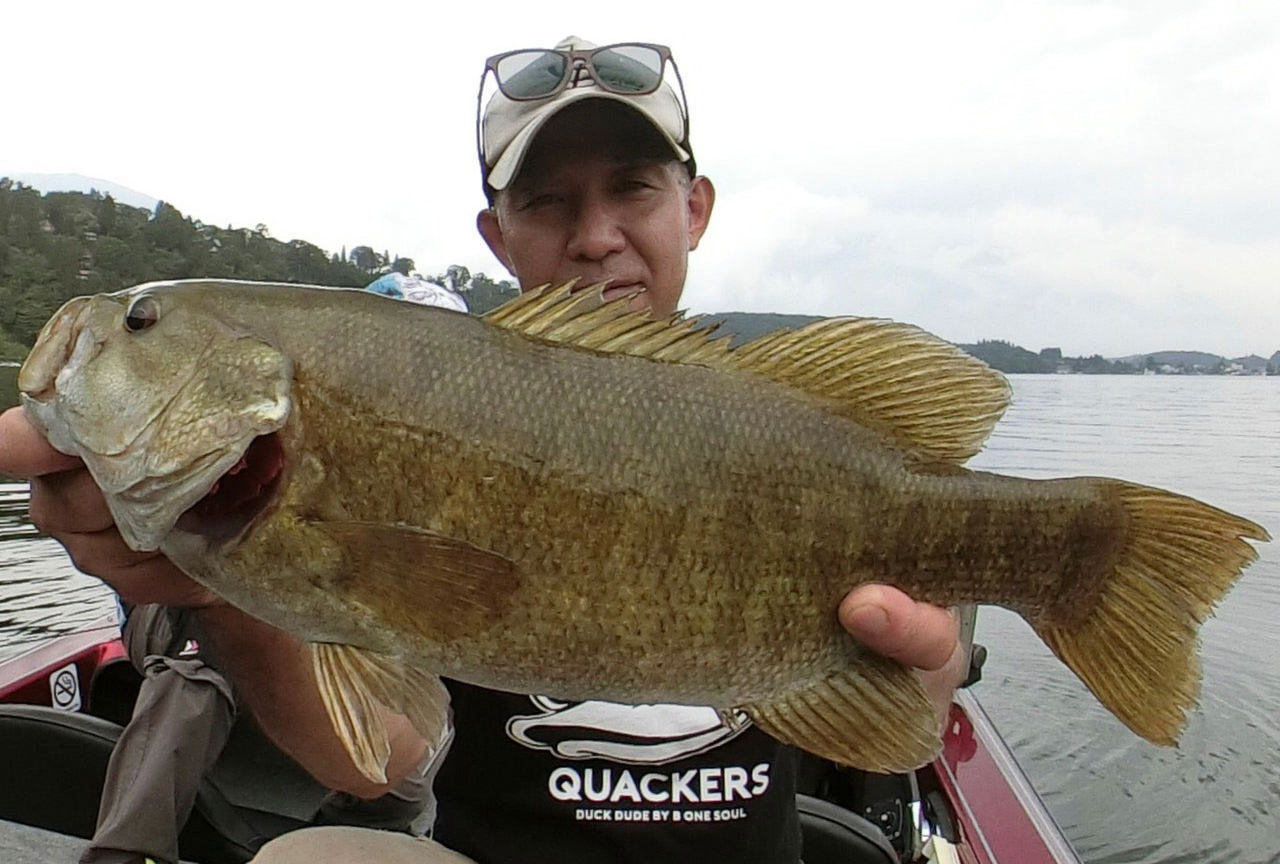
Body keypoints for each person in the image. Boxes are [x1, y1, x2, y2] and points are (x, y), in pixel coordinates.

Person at [0, 35, 968, 864]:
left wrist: (924, 658)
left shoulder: (808, 430)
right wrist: (225, 592)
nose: (596, 238)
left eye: (632, 188)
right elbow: (372, 761)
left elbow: (906, 708)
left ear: (695, 206)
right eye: (547, 202)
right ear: (494, 236)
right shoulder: (417, 412)